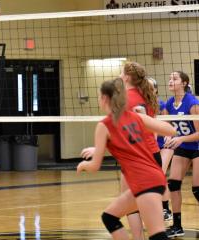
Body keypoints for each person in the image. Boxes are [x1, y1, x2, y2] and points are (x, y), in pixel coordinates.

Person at [78, 78, 175, 240]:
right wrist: (145, 119)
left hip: (145, 181)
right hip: (151, 176)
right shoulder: (136, 117)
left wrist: (83, 165)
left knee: (157, 235)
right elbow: (171, 130)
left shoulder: (104, 125)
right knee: (109, 217)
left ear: (104, 98)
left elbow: (95, 166)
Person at [163, 71, 199, 238]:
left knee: (197, 190)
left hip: (197, 146)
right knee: (174, 185)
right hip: (183, 146)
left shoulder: (192, 103)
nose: (171, 81)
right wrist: (169, 137)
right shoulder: (169, 103)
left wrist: (180, 138)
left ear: (184, 83)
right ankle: (177, 226)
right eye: (170, 78)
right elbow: (168, 128)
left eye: (174, 78)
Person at [148, 77, 173, 221]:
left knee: (160, 175)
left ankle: (165, 209)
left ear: (156, 90)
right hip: (148, 146)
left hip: (164, 144)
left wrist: (168, 135)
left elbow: (168, 124)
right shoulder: (139, 105)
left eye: (151, 87)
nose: (148, 89)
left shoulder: (160, 104)